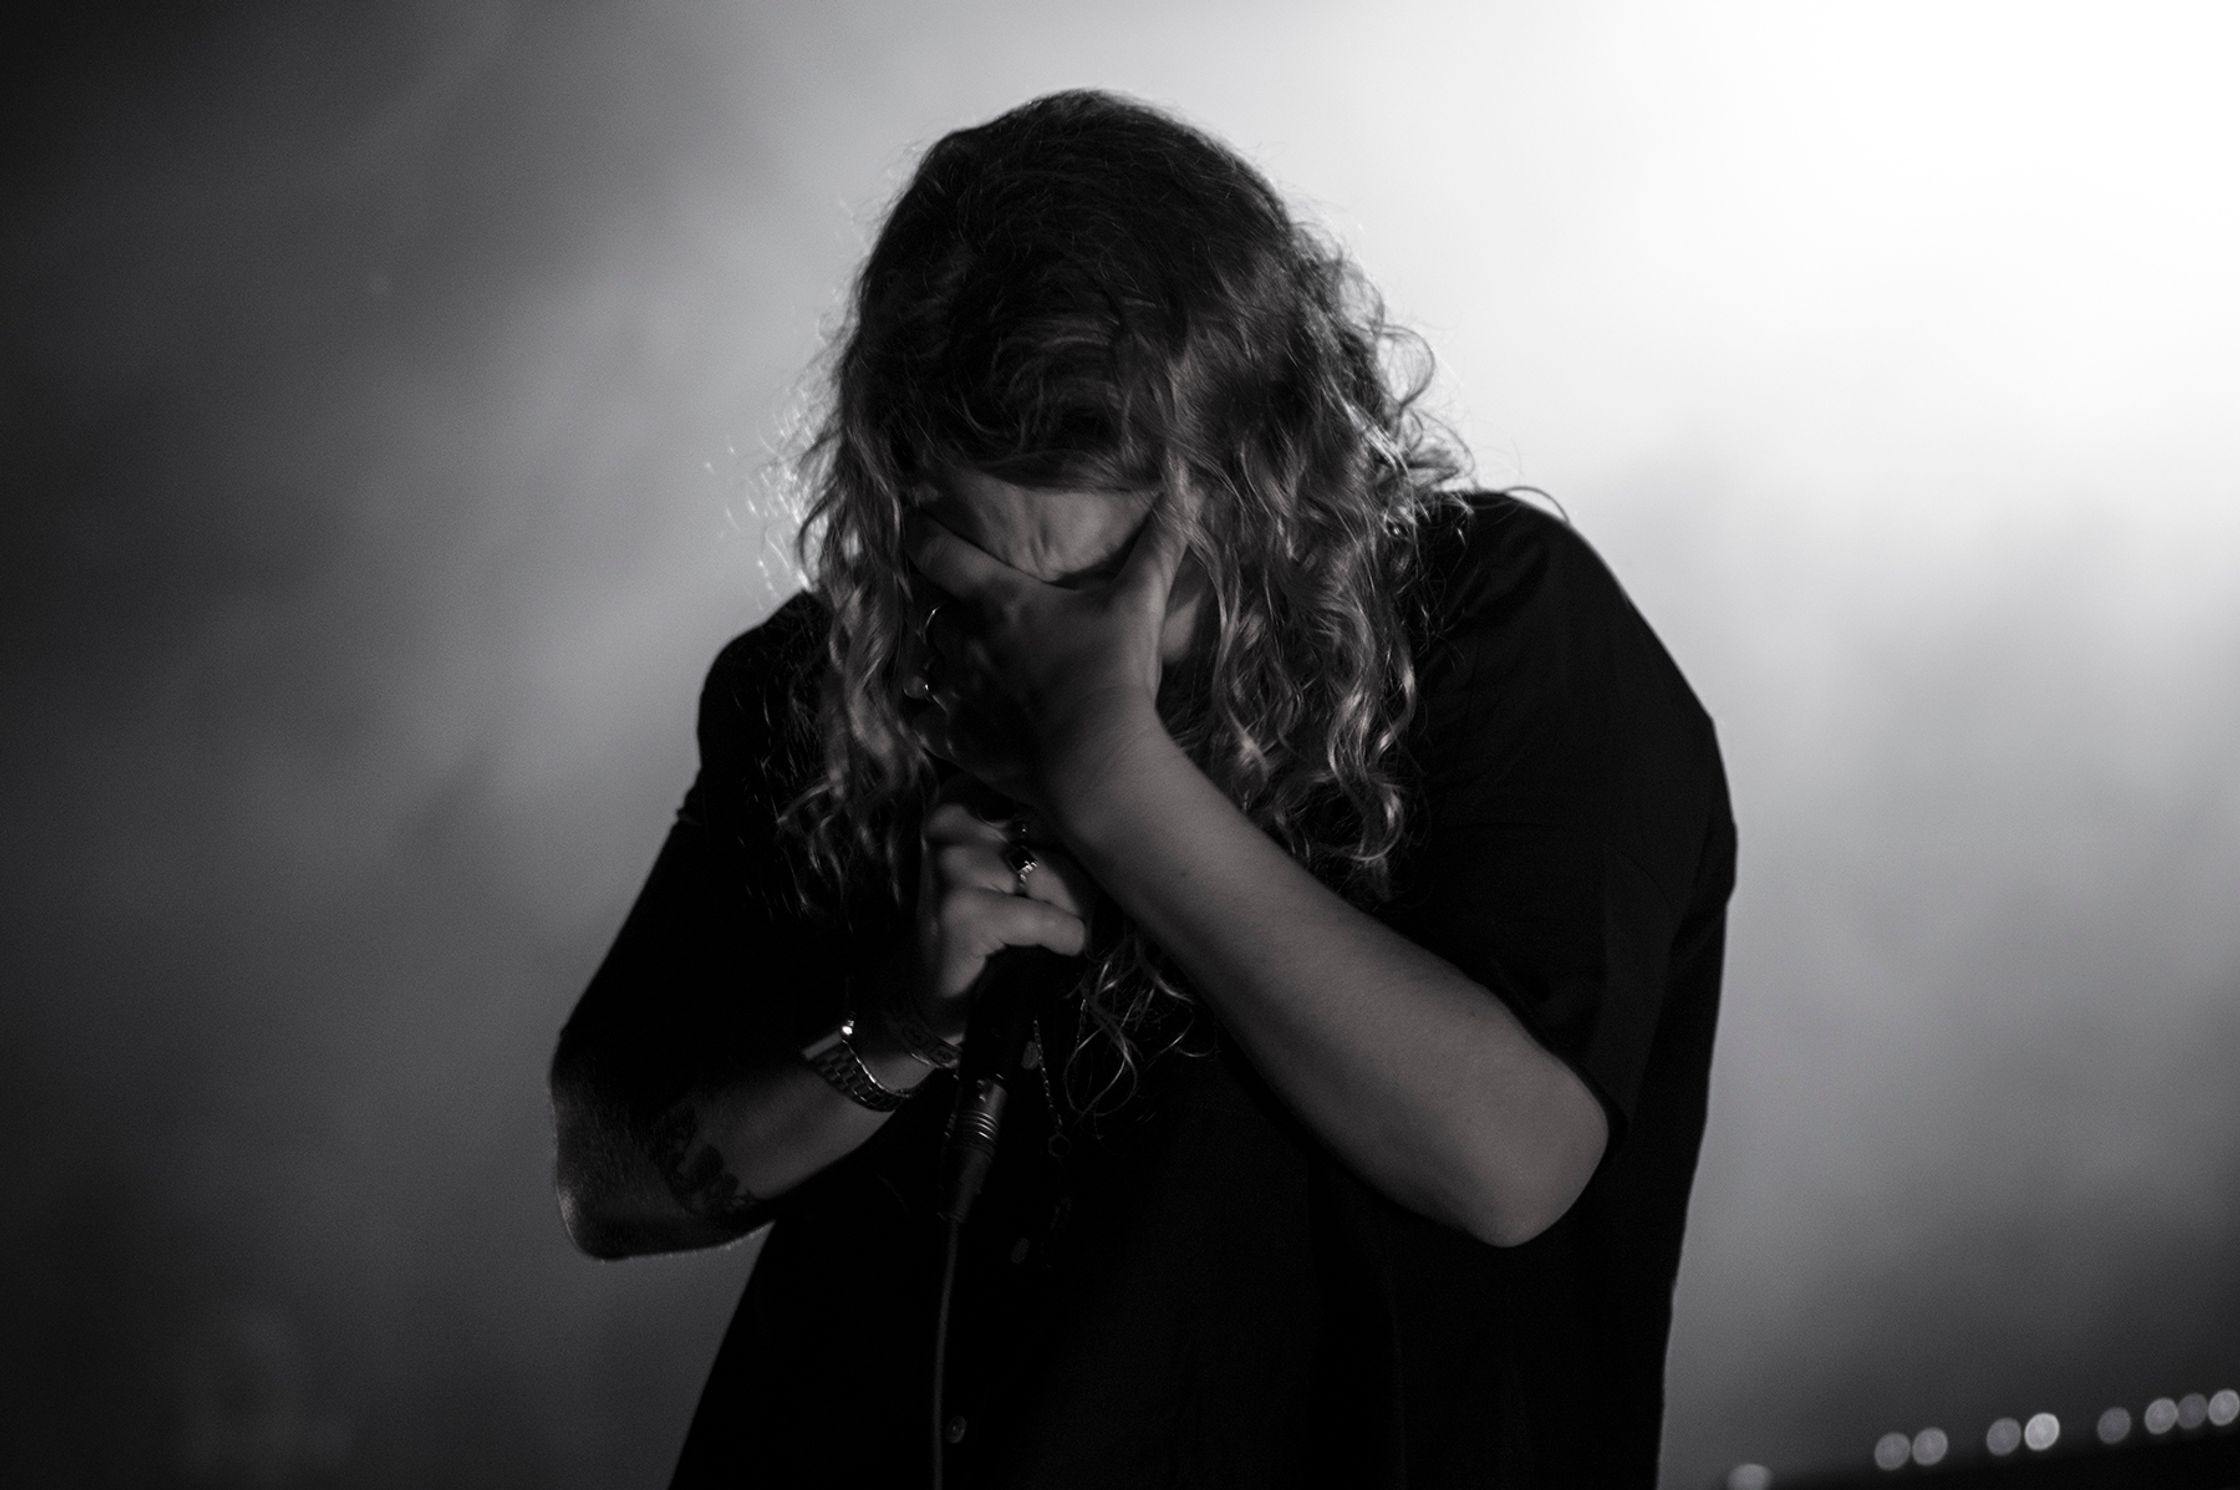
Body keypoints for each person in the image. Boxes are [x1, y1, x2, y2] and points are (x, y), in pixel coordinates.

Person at [549, 90, 1735, 1489]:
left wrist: (1113, 778)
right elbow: (607, 1178)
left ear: (1262, 483)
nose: (1051, 645)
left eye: (1114, 584)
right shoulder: (838, 675)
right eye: (988, 582)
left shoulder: (1491, 624)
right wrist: (896, 1032)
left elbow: (1510, 1163)